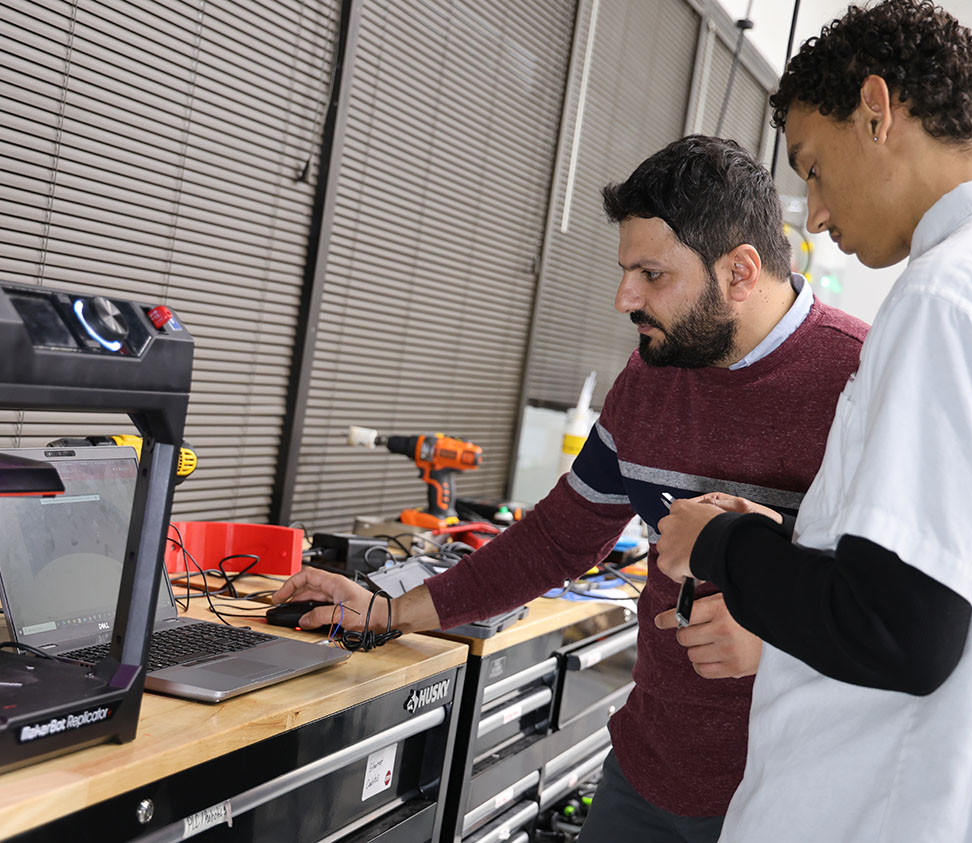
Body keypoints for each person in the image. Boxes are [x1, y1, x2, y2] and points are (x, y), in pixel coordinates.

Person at [273, 135, 868, 842]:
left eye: (651, 273)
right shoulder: (650, 380)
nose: (625, 297)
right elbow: (557, 537)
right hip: (645, 776)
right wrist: (387, 610)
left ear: (740, 271)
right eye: (626, 271)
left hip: (789, 800)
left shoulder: (862, 380)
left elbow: (913, 617)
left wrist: (783, 642)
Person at [655, 2, 972, 840]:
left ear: (877, 110)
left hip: (880, 807)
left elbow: (899, 628)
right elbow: (942, 574)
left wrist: (718, 544)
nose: (818, 217)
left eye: (814, 168)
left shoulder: (949, 293)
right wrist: (797, 552)